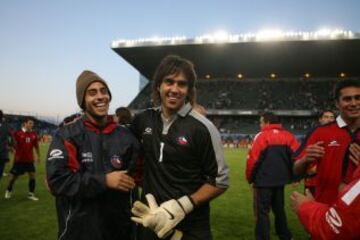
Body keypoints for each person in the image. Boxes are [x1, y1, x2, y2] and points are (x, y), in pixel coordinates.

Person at [130, 55, 229, 240]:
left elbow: (220, 180)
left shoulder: (203, 128)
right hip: (150, 221)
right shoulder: (143, 120)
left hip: (190, 226)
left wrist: (183, 205)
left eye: (181, 84)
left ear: (189, 90)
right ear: (158, 85)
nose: (174, 89)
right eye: (169, 82)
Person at [46, 70, 140, 240]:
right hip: (78, 232)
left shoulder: (126, 137)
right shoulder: (67, 135)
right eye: (92, 92)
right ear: (83, 100)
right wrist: (104, 180)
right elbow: (58, 181)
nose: (100, 96)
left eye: (104, 91)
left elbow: (137, 181)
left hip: (120, 232)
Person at [293, 79, 360, 205]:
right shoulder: (320, 132)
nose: (354, 103)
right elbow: (296, 170)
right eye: (347, 99)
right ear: (337, 103)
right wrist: (305, 159)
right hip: (326, 209)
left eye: (358, 98)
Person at [246, 112, 299, 240]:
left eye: (261, 122)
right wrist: (295, 177)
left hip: (263, 181)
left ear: (267, 122)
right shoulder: (288, 136)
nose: (260, 125)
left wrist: (250, 177)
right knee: (279, 210)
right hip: (280, 181)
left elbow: (253, 160)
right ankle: (285, 235)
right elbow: (297, 157)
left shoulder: (262, 136)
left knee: (262, 213)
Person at [290, 163, 360, 240]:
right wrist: (305, 160)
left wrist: (305, 207)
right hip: (321, 208)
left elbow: (337, 227)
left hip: (326, 220)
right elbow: (296, 169)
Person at [5, 117, 40, 201]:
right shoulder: (18, 133)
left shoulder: (34, 134)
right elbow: (12, 144)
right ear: (25, 123)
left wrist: (38, 156)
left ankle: (31, 194)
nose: (31, 125)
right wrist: (12, 148)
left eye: (32, 124)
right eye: (30, 123)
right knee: (14, 177)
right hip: (19, 160)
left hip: (29, 160)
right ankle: (8, 190)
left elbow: (36, 146)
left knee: (32, 176)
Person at [304, 110, 336, 195]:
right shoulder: (313, 134)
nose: (329, 120)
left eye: (332, 117)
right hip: (313, 180)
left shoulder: (340, 134)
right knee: (311, 206)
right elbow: (305, 154)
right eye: (326, 117)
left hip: (332, 180)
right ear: (320, 119)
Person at [0, 110, 13, 182]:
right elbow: (11, 137)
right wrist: (11, 146)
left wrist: (11, 146)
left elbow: (11, 137)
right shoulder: (6, 126)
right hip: (3, 153)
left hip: (2, 153)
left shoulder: (6, 126)